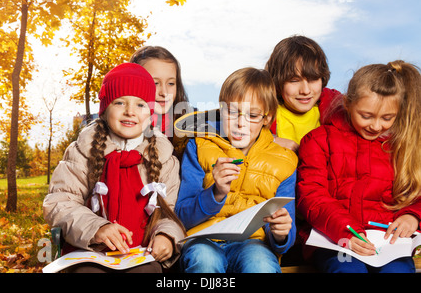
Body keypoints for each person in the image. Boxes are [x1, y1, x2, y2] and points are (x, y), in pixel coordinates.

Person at [43, 63, 185, 273]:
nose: (130, 112)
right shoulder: (82, 152)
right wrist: (96, 228)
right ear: (105, 109)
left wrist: (166, 236)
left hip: (140, 255)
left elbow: (169, 213)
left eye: (140, 105)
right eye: (120, 102)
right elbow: (60, 202)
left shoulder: (165, 158)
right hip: (90, 252)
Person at [297, 60, 421, 273]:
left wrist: (412, 216)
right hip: (336, 239)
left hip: (388, 243)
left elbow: (416, 191)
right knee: (348, 270)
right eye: (366, 116)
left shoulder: (403, 146)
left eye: (387, 118)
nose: (376, 125)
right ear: (347, 103)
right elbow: (311, 195)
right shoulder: (317, 140)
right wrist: (347, 231)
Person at [174, 67, 298, 273]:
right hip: (203, 240)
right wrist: (216, 193)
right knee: (204, 261)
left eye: (252, 115)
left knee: (260, 266)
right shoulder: (198, 146)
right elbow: (181, 215)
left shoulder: (285, 162)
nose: (240, 123)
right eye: (232, 112)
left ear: (267, 118)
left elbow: (284, 234)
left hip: (254, 244)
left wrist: (281, 233)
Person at [265, 35, 341, 152]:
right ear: (277, 82)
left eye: (313, 79)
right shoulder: (263, 110)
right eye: (294, 81)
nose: (305, 91)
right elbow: (230, 128)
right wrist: (271, 140)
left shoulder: (336, 109)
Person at [130, 46, 194, 158]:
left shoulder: (191, 128)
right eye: (155, 83)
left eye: (171, 83)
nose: (164, 92)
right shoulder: (123, 127)